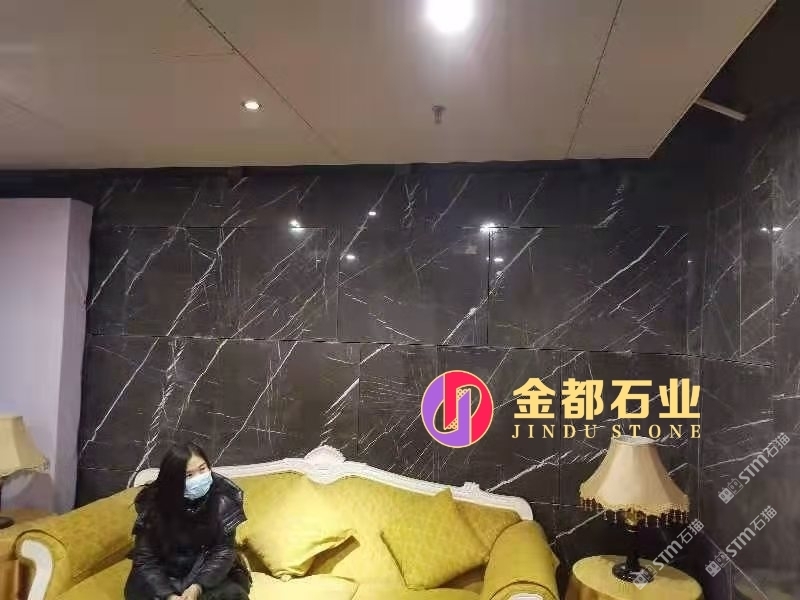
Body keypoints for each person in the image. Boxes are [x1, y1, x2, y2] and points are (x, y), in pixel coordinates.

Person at [124, 443, 251, 600]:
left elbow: (223, 551)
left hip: (206, 574)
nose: (199, 478)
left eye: (202, 469)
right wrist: (168, 595)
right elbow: (145, 559)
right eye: (188, 475)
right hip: (165, 576)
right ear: (173, 480)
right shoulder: (154, 504)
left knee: (233, 595)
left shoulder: (223, 499)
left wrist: (197, 587)